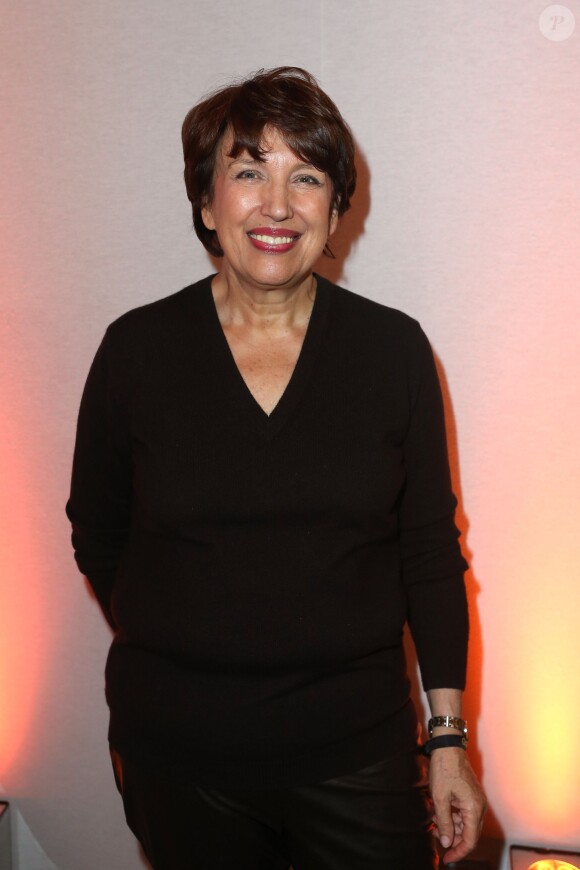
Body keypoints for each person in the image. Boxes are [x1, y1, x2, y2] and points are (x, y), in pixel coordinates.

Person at [66, 66, 485, 869]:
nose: (278, 205)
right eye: (249, 170)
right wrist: (185, 637)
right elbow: (99, 530)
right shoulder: (136, 352)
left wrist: (446, 740)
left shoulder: (393, 351)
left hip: (359, 755)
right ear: (205, 199)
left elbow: (430, 553)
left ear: (334, 209)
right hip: (180, 761)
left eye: (307, 177)